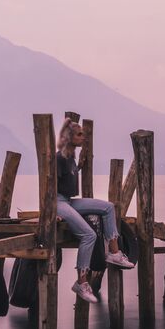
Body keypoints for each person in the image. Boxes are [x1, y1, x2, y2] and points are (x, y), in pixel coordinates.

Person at [56, 117, 134, 304]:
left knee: (108, 207)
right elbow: (48, 185)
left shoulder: (71, 156)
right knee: (89, 235)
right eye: (80, 134)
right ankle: (81, 283)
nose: (84, 137)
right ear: (70, 137)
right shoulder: (59, 158)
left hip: (68, 201)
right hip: (56, 202)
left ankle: (114, 253)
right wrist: (53, 211)